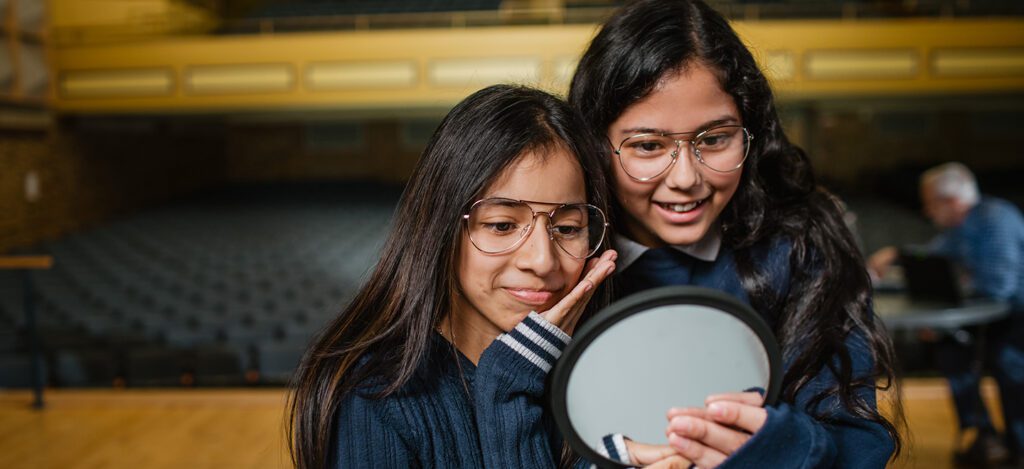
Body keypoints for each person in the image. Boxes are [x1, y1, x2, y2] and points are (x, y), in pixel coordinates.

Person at [568, 0, 903, 467]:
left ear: (751, 131)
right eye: (648, 145)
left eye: (714, 139)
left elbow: (862, 444)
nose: (685, 177)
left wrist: (776, 447)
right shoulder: (557, 262)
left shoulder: (803, 250)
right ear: (594, 146)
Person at [286, 85, 624, 468]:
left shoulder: (606, 378)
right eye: (501, 225)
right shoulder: (376, 397)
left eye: (566, 228)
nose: (543, 261)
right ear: (442, 227)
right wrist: (509, 384)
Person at [869, 162, 1024, 468]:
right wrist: (898, 253)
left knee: (1010, 368)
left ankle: (1018, 447)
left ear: (952, 201)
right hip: (988, 318)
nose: (927, 212)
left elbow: (998, 287)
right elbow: (933, 256)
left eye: (930, 203)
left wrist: (947, 317)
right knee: (951, 352)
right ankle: (982, 437)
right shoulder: (960, 227)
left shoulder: (996, 220)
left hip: (1015, 319)